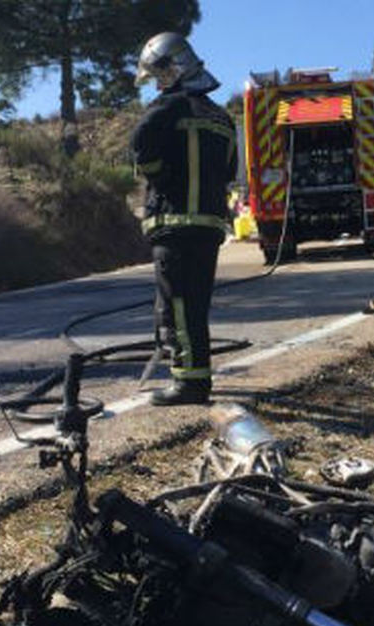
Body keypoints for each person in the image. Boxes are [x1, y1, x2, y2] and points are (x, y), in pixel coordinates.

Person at [132, 32, 236, 406]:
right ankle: (195, 373)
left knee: (176, 304)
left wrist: (159, 176)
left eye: (158, 76)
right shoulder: (221, 116)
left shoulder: (169, 107)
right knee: (196, 303)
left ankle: (189, 383)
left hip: (174, 225)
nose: (157, 85)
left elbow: (141, 142)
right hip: (208, 226)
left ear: (173, 68)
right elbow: (229, 169)